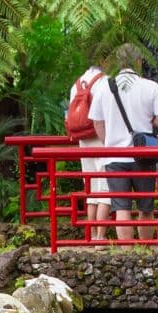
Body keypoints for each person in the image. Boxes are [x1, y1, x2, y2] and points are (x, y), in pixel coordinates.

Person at [88, 44, 158, 242]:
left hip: (114, 157)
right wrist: (149, 120)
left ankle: (127, 254)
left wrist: (108, 143)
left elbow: (97, 122)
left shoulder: (104, 87)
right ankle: (144, 250)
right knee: (145, 207)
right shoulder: (150, 86)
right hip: (143, 155)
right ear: (139, 62)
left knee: (121, 207)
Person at [65, 55, 110, 240]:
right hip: (102, 138)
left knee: (91, 190)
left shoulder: (76, 84)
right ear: (104, 61)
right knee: (105, 190)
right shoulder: (105, 82)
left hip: (83, 140)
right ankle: (101, 237)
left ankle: (90, 234)